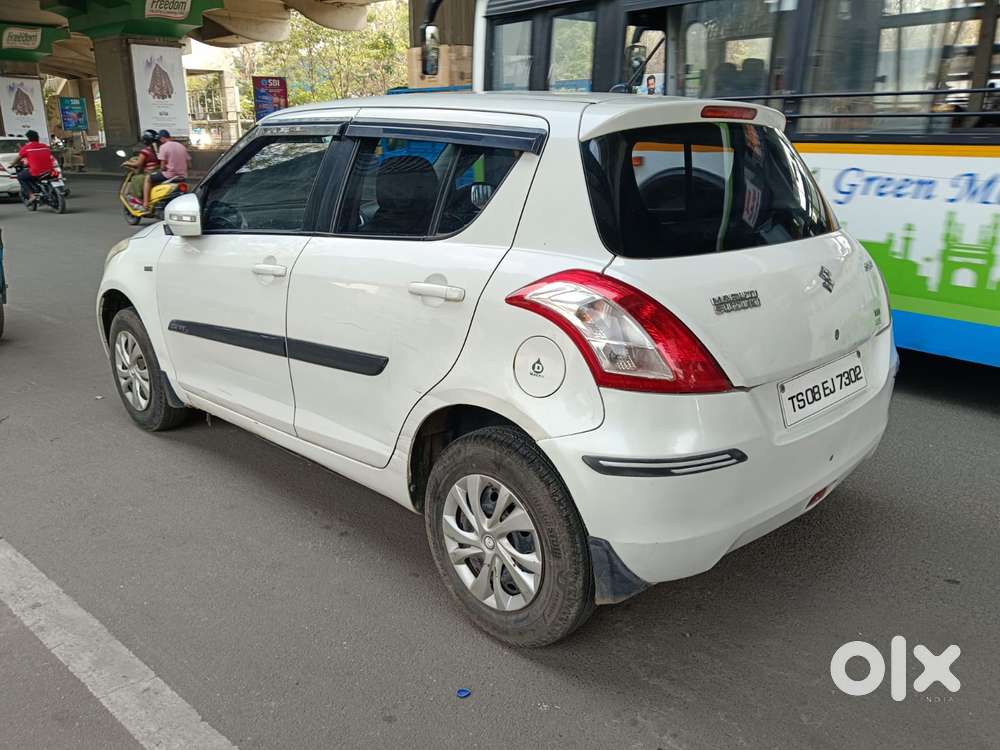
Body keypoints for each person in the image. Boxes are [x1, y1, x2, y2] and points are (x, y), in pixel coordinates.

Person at [143, 129, 190, 210]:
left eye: (160, 140)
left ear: (162, 138)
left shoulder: (163, 147)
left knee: (148, 178)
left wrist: (160, 168)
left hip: (170, 175)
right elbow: (189, 165)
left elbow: (162, 167)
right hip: (182, 176)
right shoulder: (181, 146)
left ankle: (145, 203)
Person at [7, 130, 54, 204]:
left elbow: (18, 158)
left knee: (21, 176)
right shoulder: (45, 146)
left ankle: (31, 195)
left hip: (36, 171)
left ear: (28, 139)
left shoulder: (27, 148)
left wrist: (12, 164)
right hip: (50, 170)